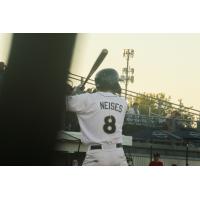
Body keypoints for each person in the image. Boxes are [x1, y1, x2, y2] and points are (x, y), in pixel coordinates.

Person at [66, 68, 128, 166]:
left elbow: (64, 103)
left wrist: (74, 93)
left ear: (98, 83)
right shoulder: (123, 103)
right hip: (118, 154)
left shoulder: (87, 99)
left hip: (97, 154)